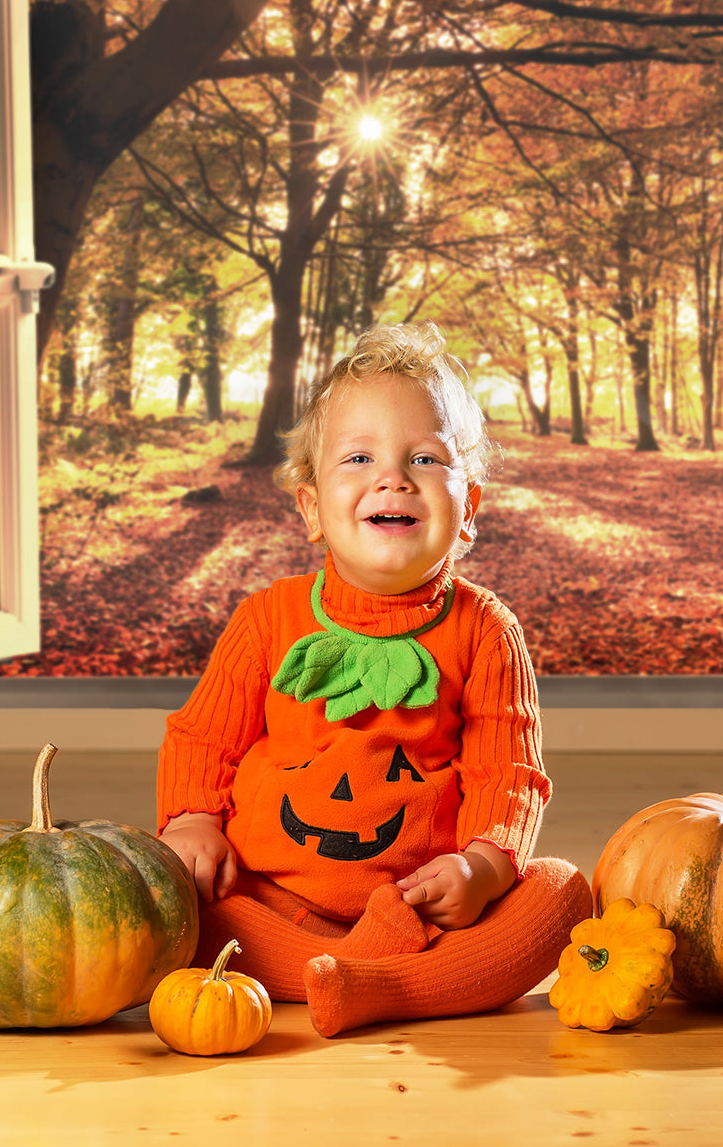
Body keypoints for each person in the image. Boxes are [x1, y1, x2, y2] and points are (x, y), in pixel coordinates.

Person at [156, 321, 592, 1037]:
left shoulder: (485, 629)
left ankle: (373, 983)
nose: (392, 478)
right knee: (176, 893)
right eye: (359, 458)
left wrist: (483, 868)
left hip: (424, 908)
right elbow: (202, 737)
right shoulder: (268, 619)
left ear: (469, 510)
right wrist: (195, 822)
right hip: (265, 898)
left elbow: (506, 772)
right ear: (310, 507)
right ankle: (359, 973)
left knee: (562, 894)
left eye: (424, 458)